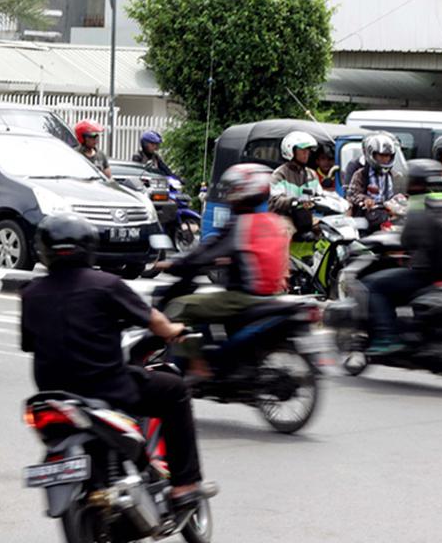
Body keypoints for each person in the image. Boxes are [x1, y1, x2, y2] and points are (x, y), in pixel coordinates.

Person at [20, 213, 216, 505]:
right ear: (88, 247)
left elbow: (29, 344)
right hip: (105, 389)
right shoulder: (105, 284)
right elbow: (156, 322)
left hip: (53, 396)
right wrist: (175, 330)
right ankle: (184, 485)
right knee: (175, 391)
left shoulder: (31, 293)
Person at [164, 164, 292, 370]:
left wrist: (177, 265)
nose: (230, 195)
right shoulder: (275, 221)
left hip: (242, 297)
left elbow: (206, 253)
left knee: (179, 307)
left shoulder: (242, 223)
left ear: (245, 191)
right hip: (273, 294)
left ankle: (196, 367)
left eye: (234, 189)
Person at [360, 159, 442, 354]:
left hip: (426, 273)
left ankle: (386, 337)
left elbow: (408, 239)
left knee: (373, 285)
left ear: (412, 182)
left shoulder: (418, 204)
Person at [348, 134, 406, 229]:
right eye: (381, 155)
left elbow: (403, 195)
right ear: (372, 155)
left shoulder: (396, 176)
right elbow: (352, 194)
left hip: (391, 218)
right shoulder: (361, 174)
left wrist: (401, 202)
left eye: (388, 156)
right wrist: (365, 200)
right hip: (367, 218)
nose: (385, 159)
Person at [268, 131, 321, 221]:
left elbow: (320, 195)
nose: (306, 154)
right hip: (284, 217)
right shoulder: (280, 174)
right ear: (290, 151)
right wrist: (294, 200)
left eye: (308, 150)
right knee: (288, 230)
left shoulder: (311, 174)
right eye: (302, 150)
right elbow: (276, 200)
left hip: (306, 217)